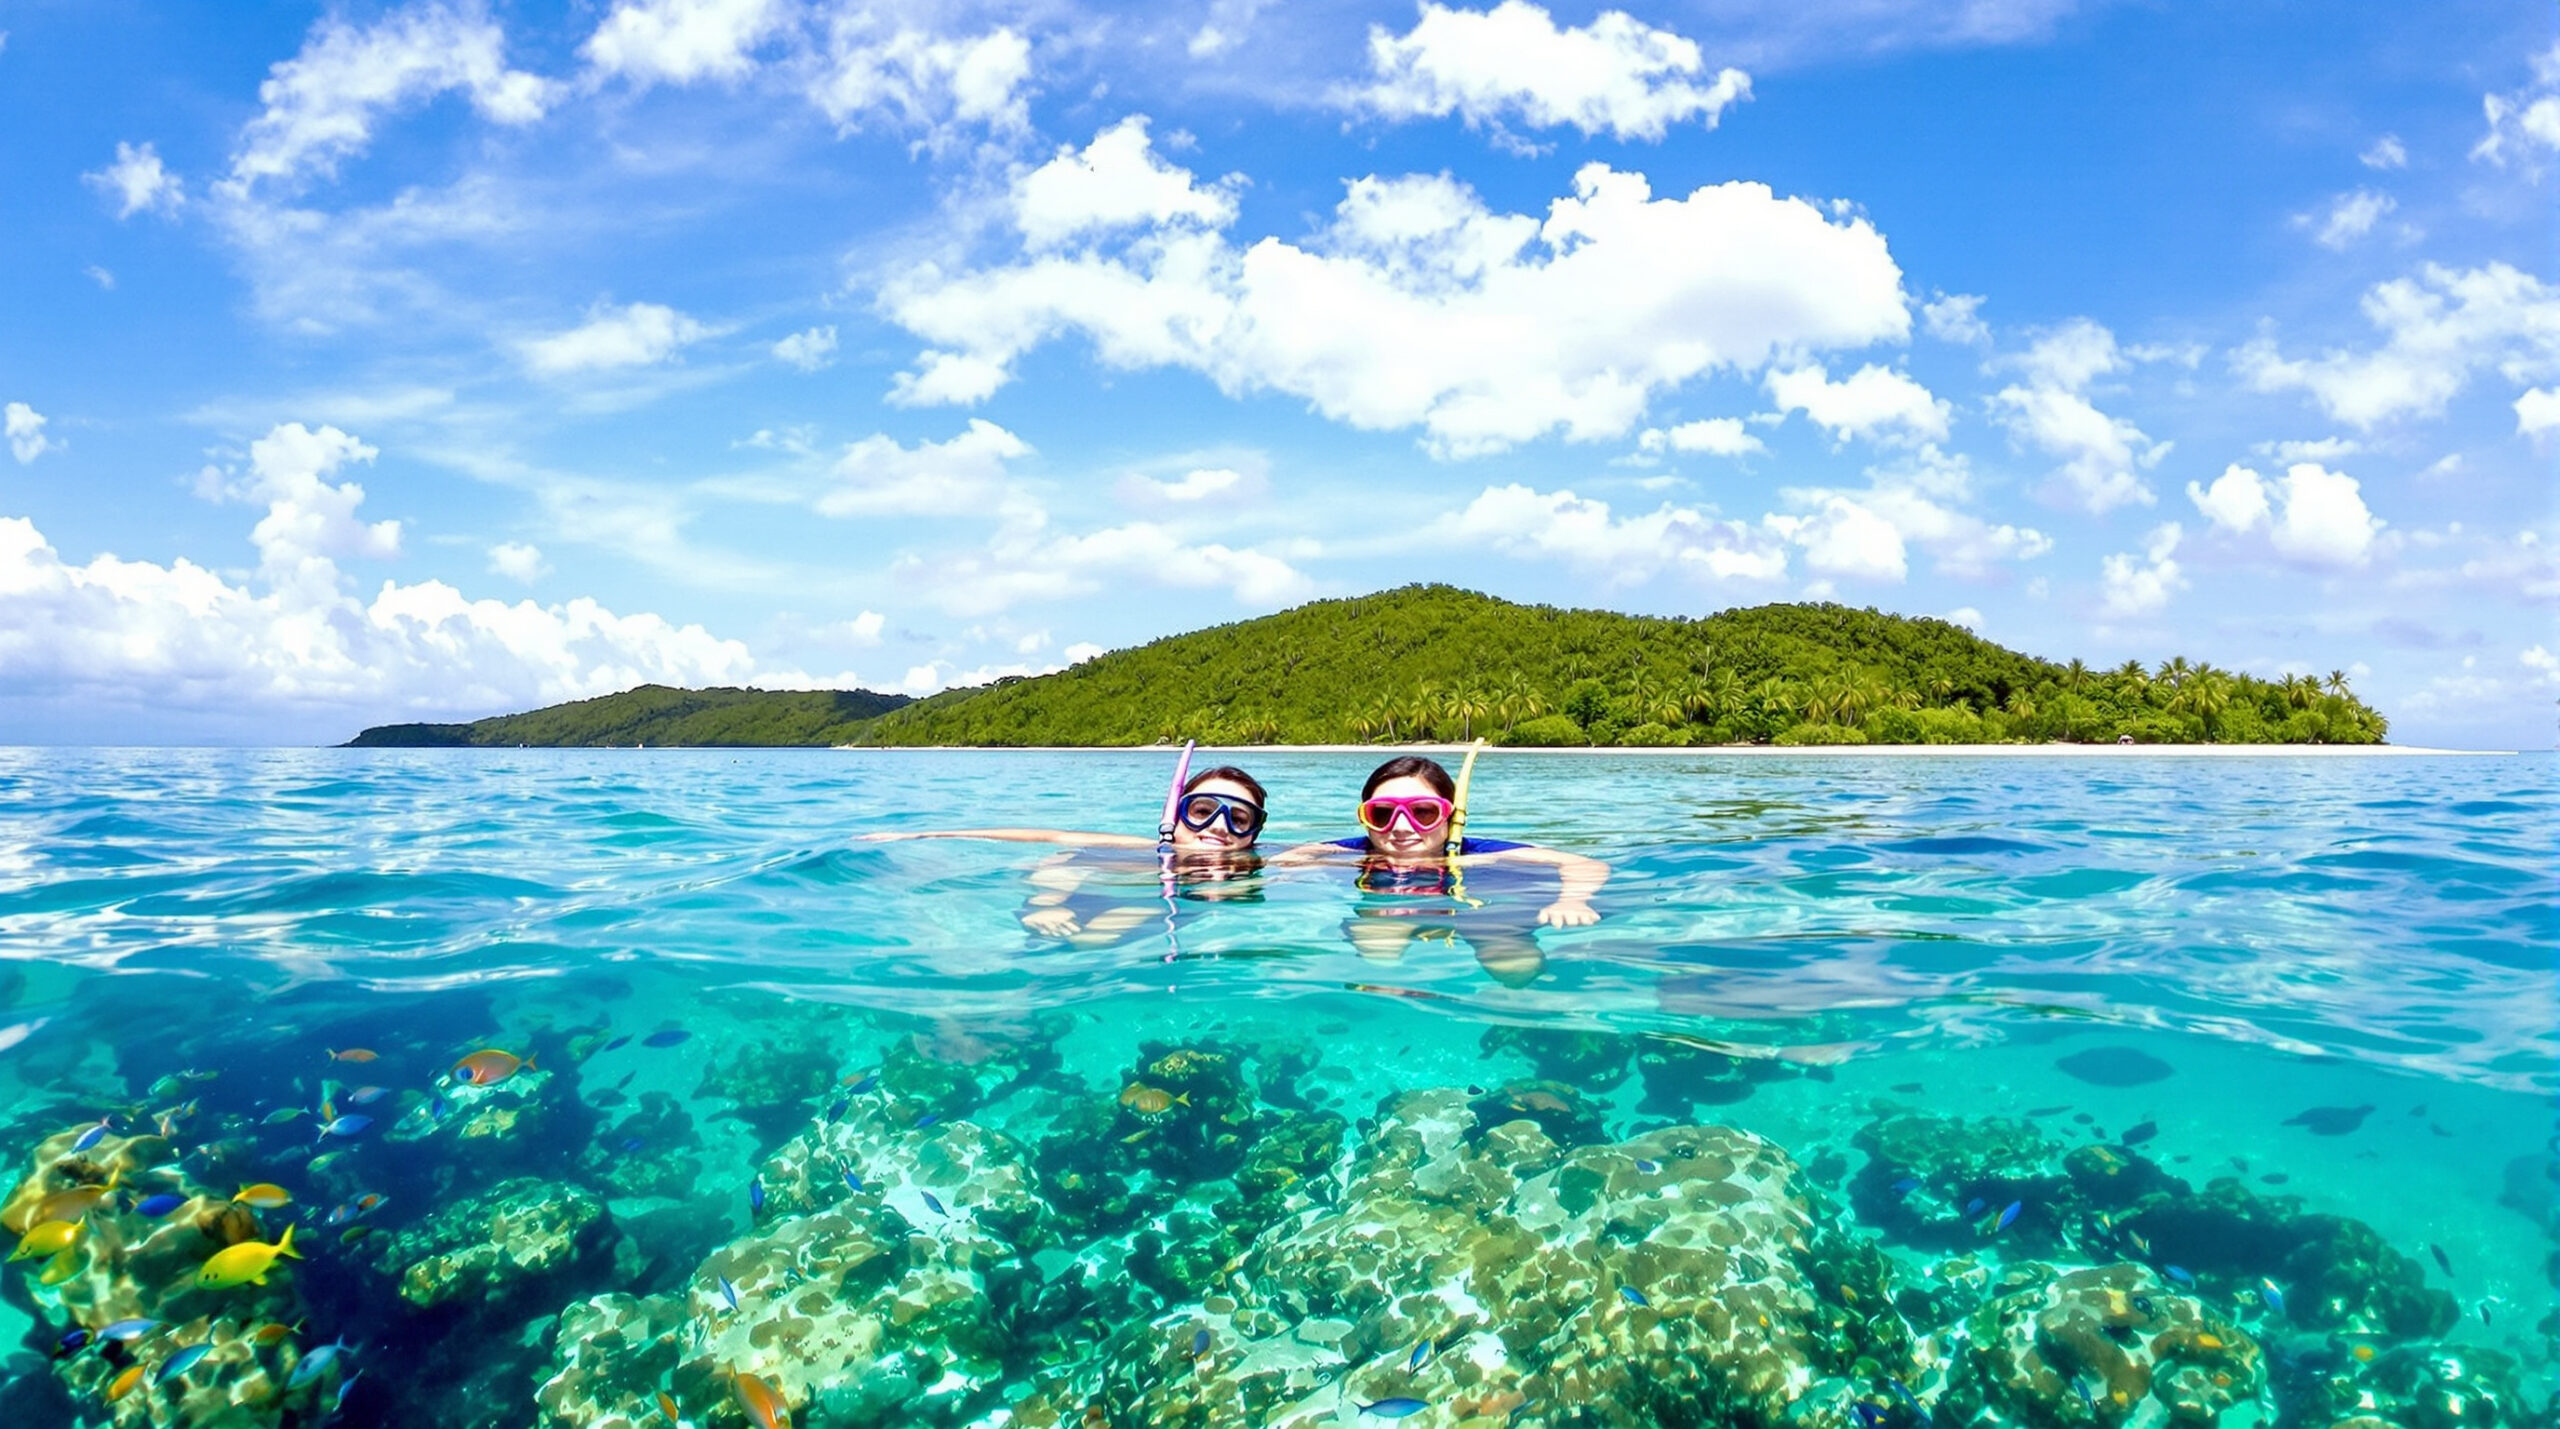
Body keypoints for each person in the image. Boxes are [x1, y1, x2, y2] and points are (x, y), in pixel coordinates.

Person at [1273, 753, 1607, 985]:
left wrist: (1573, 900)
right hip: (1393, 911)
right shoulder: (1358, 850)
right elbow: (1298, 855)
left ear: (1451, 815)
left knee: (1517, 971)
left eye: (1422, 812)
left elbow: (1582, 864)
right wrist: (1288, 872)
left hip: (1476, 913)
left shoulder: (1479, 852)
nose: (1401, 827)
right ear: (1365, 818)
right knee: (1379, 957)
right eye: (1382, 814)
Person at [863, 759, 1267, 945]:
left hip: (1150, 917)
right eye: (1202, 811)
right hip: (1080, 903)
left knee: (1096, 940)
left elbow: (1307, 854)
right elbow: (1054, 842)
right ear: (1174, 816)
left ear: (1253, 834)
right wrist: (926, 834)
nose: (1219, 826)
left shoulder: (1259, 862)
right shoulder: (1142, 851)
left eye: (1238, 818)